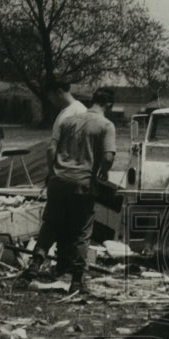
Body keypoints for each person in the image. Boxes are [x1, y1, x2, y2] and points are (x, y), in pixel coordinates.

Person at [22, 89, 116, 295]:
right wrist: (103, 173)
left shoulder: (68, 121)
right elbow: (108, 157)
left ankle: (34, 265)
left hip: (58, 180)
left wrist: (52, 171)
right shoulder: (106, 125)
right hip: (82, 184)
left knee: (51, 225)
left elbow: (50, 150)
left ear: (92, 100)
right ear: (109, 106)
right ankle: (77, 278)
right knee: (82, 231)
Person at [30, 81, 89, 274]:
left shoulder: (65, 115)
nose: (50, 101)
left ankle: (37, 260)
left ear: (58, 92)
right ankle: (66, 266)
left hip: (61, 172)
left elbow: (51, 148)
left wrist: (50, 172)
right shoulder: (84, 111)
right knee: (74, 224)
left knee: (53, 221)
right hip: (80, 174)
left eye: (50, 97)